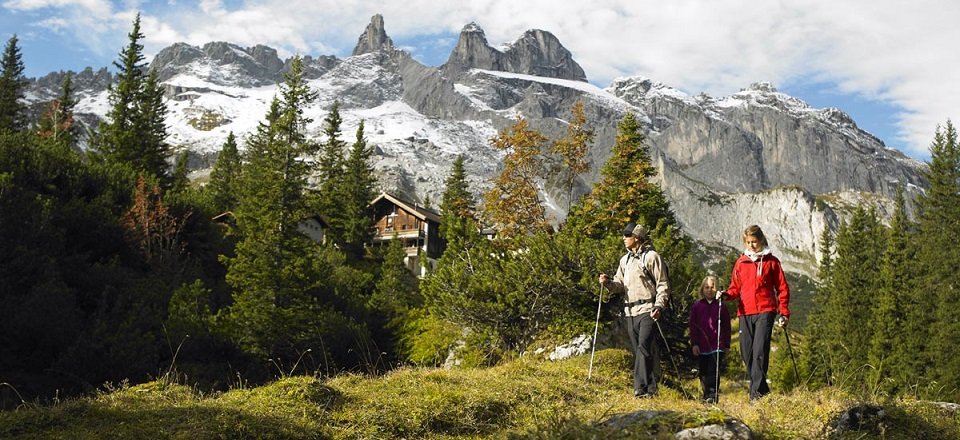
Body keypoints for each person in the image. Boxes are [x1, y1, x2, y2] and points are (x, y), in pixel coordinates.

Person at [599, 222, 670, 398]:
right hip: (630, 312)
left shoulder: (652, 257)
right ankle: (652, 390)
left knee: (643, 347)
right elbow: (620, 286)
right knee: (640, 350)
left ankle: (639, 388)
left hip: (648, 309)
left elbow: (663, 284)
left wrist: (659, 305)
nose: (624, 238)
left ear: (637, 238)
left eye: (627, 235)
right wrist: (608, 283)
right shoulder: (624, 260)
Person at [719, 225, 790, 401]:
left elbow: (782, 288)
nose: (751, 245)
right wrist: (726, 295)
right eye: (748, 242)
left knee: (759, 351)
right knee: (746, 352)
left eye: (754, 242)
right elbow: (735, 288)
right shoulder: (741, 262)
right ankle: (763, 390)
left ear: (761, 241)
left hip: (766, 310)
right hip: (745, 311)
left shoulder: (771, 261)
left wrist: (784, 312)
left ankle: (755, 396)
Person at [689, 275, 731, 403]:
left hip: (717, 345)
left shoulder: (721, 307)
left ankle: (712, 395)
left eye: (712, 287)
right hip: (701, 345)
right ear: (702, 289)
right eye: (706, 287)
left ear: (717, 289)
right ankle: (706, 394)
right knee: (703, 372)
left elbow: (726, 326)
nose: (709, 290)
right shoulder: (697, 306)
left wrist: (727, 344)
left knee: (714, 371)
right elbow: (693, 326)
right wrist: (694, 343)